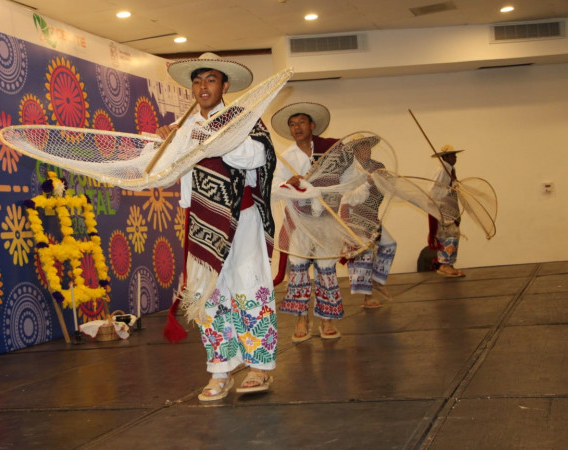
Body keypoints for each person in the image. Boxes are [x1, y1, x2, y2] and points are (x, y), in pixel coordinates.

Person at [157, 53, 277, 401]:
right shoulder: (185, 128)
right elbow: (170, 175)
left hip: (241, 218)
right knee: (207, 294)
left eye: (210, 80)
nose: (202, 87)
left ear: (225, 86)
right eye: (197, 81)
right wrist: (168, 143)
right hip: (201, 221)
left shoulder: (242, 119)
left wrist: (216, 134)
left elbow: (256, 158)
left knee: (248, 286)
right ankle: (220, 370)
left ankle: (259, 367)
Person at [270, 102, 343, 342]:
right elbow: (274, 188)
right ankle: (301, 318)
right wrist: (289, 183)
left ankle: (326, 318)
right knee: (299, 268)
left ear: (312, 125)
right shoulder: (287, 157)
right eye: (292, 124)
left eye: (301, 122)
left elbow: (345, 179)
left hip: (324, 220)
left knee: (326, 267)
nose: (297, 127)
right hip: (299, 222)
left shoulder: (329, 150)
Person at [343, 138, 397, 308]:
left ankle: (377, 280)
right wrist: (368, 183)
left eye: (368, 145)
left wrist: (387, 180)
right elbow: (348, 197)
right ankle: (367, 297)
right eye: (362, 146)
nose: (367, 149)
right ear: (355, 150)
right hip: (355, 217)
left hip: (371, 215)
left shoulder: (377, 166)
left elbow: (385, 188)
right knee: (364, 254)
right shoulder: (349, 171)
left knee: (389, 244)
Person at [428, 144, 465, 277]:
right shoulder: (442, 171)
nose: (455, 158)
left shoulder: (450, 170)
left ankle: (448, 264)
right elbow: (433, 191)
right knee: (448, 235)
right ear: (446, 157)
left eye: (455, 155)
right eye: (453, 155)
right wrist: (450, 189)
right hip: (443, 210)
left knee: (453, 235)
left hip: (450, 209)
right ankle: (444, 264)